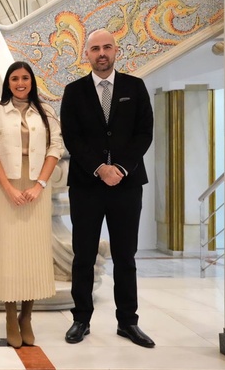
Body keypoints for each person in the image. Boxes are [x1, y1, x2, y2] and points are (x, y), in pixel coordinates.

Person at [60, 28, 155, 348]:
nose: (102, 53)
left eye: (107, 48)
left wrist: (121, 169)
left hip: (127, 185)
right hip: (87, 185)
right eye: (95, 49)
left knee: (125, 256)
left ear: (117, 51)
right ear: (86, 54)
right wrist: (100, 169)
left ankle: (128, 322)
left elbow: (144, 134)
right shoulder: (74, 91)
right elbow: (71, 137)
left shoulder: (135, 87)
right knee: (83, 255)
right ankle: (81, 319)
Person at [0, 61, 64, 348]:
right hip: (7, 186)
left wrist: (40, 184)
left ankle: (26, 317)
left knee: (34, 252)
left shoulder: (47, 111)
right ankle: (9, 314)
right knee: (10, 252)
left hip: (37, 186)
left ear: (31, 81)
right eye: (14, 78)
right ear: (8, 82)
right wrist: (8, 188)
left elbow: (56, 147)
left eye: (25, 78)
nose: (20, 83)